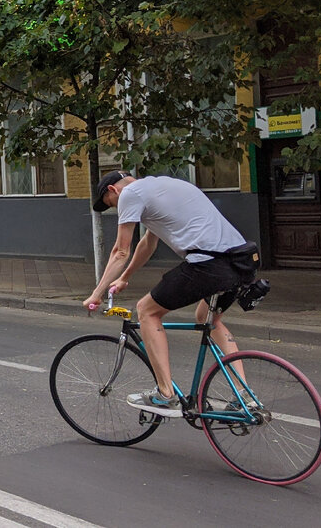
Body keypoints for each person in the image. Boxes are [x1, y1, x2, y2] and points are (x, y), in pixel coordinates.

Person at [84, 170, 252, 418]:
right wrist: (124, 278)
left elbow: (121, 251)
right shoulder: (163, 187)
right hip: (241, 261)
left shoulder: (129, 193)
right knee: (208, 318)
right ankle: (244, 396)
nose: (118, 209)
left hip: (207, 264)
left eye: (111, 205)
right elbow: (148, 244)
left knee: (147, 311)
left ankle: (165, 395)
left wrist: (96, 294)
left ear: (113, 191)